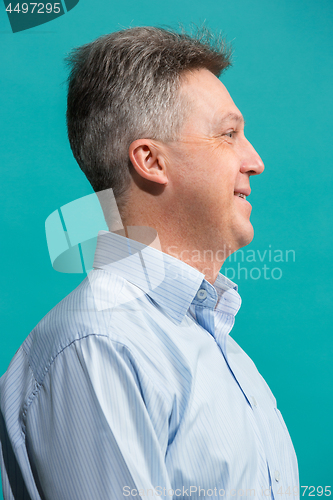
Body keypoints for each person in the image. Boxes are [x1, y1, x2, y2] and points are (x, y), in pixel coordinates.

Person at [0, 26, 299, 500]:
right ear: (151, 161)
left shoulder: (219, 350)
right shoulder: (98, 345)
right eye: (229, 134)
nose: (255, 160)